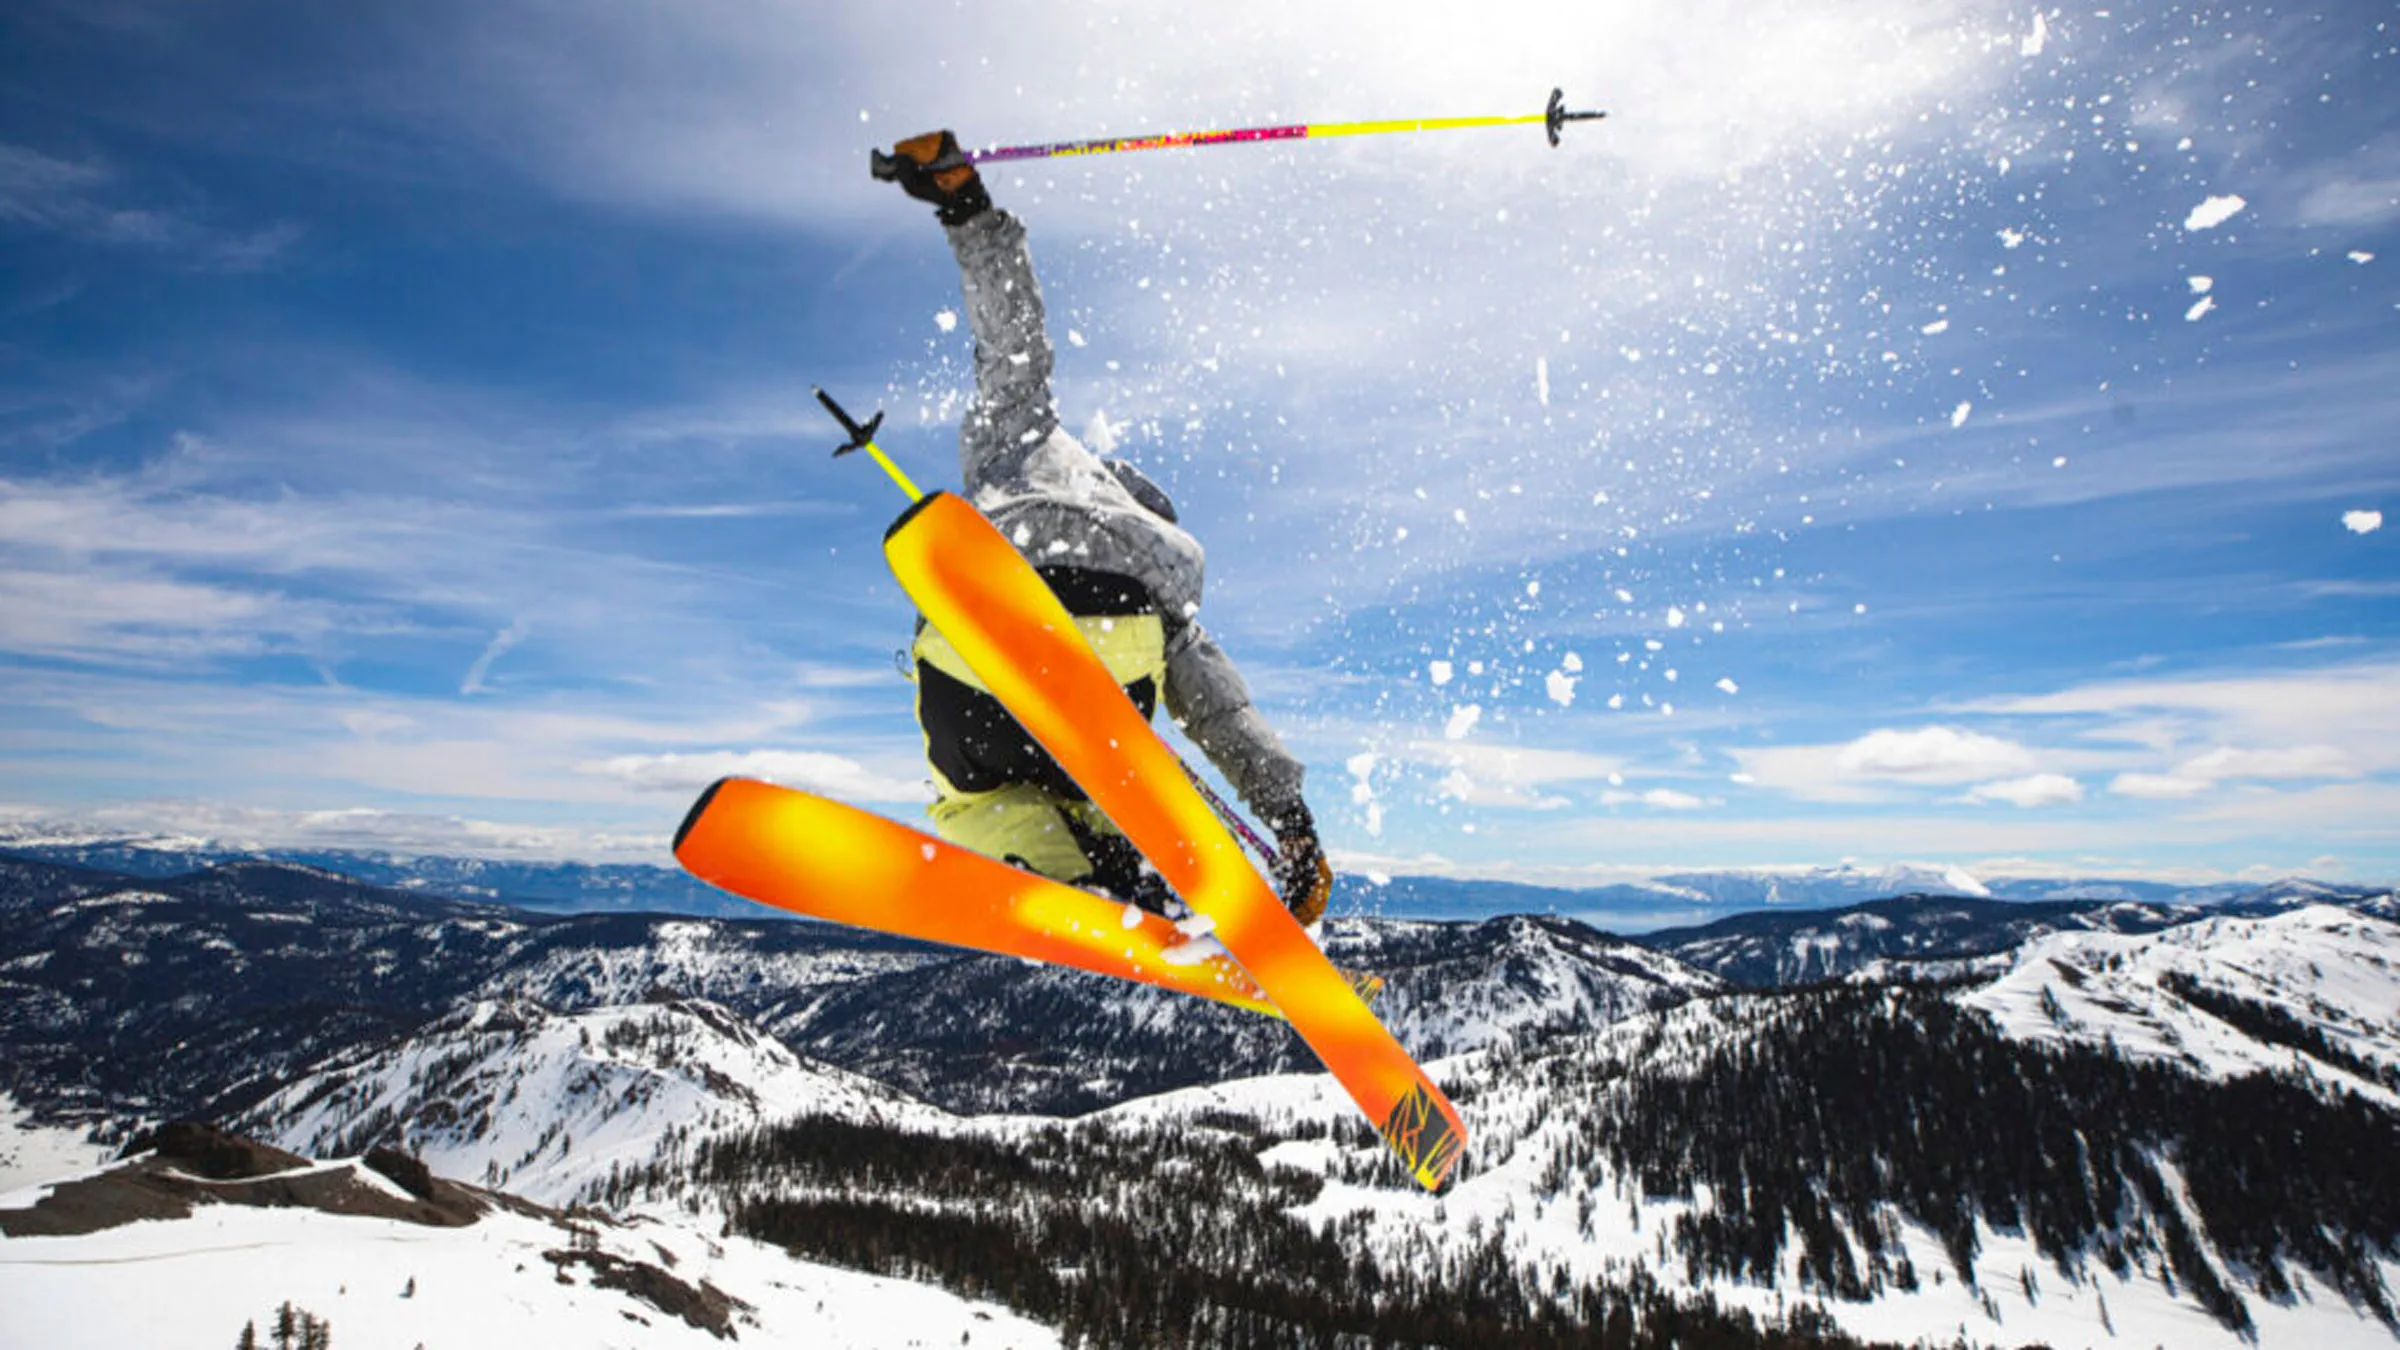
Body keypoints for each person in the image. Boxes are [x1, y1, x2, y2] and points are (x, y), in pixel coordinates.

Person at [880, 130, 1331, 927]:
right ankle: (1125, 874)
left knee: (967, 797)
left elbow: (1013, 336)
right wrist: (1290, 819)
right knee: (1104, 778)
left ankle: (1073, 871)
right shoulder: (1155, 564)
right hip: (1121, 639)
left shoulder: (1024, 438)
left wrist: (967, 208)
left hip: (986, 638)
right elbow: (1220, 711)